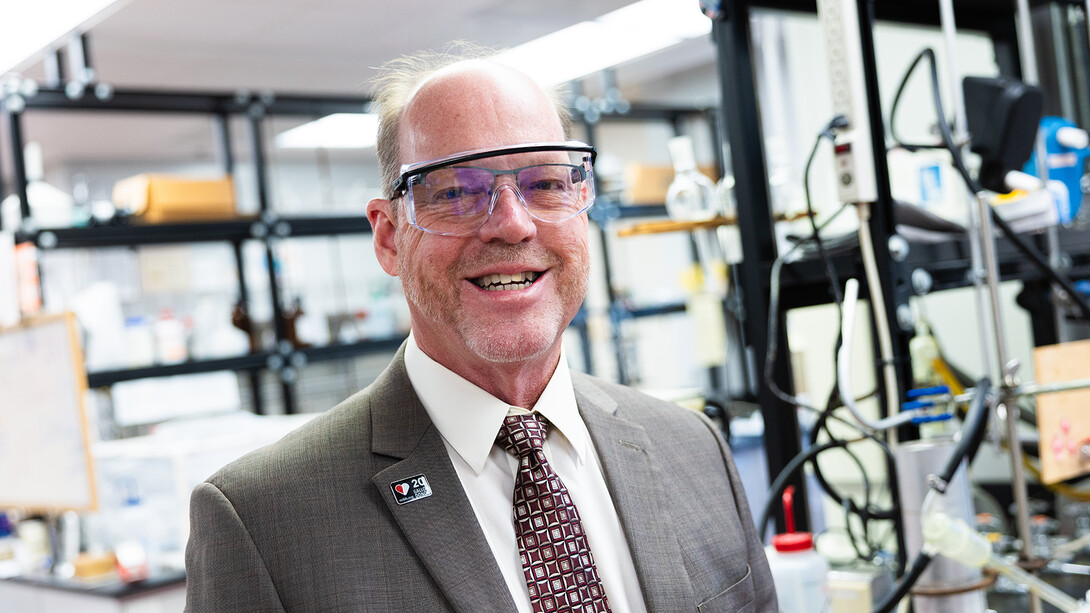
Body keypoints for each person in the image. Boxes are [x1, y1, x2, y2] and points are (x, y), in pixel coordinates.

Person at [184, 47, 776, 612]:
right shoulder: (264, 523)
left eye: (544, 184)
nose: (513, 225)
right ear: (389, 237)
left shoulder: (693, 447)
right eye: (455, 192)